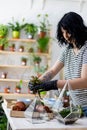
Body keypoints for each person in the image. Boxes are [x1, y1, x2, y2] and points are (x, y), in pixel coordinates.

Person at [29, 12, 87, 112]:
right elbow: (52, 71)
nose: (66, 36)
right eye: (63, 32)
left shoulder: (86, 49)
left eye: (68, 32)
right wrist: (38, 82)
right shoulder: (67, 50)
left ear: (77, 29)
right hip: (77, 107)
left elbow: (84, 82)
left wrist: (55, 84)